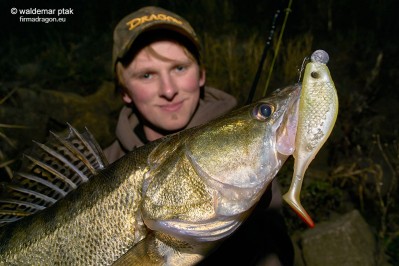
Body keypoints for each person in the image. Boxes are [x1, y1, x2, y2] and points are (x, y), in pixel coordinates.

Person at [104, 6, 294, 266]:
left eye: (180, 68)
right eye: (146, 75)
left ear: (201, 74)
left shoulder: (244, 156)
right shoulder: (100, 166)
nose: (169, 89)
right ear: (124, 91)